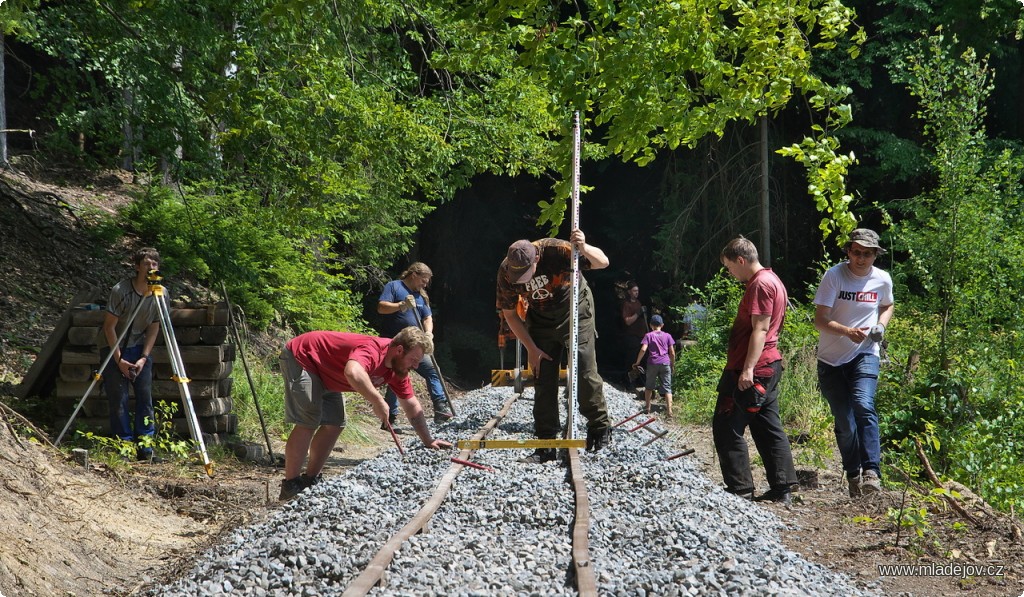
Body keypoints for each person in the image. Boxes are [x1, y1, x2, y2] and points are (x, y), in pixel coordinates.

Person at [278, 327, 453, 500]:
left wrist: (428, 440)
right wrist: (377, 400)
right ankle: (291, 485)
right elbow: (353, 371)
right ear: (399, 350)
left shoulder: (397, 370)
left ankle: (310, 479)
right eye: (413, 360)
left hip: (328, 371)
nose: (415, 366)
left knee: (335, 423)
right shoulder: (373, 350)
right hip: (304, 357)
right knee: (308, 420)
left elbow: (411, 406)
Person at [496, 230, 612, 462]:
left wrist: (584, 247)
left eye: (526, 275)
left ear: (536, 259)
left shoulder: (559, 250)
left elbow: (603, 262)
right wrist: (531, 348)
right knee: (543, 377)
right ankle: (545, 443)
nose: (522, 280)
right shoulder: (506, 272)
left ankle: (600, 428)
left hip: (575, 311)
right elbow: (510, 314)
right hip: (540, 319)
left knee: (585, 371)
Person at [713, 236, 798, 504]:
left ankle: (740, 488)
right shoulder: (773, 280)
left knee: (727, 425)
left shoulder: (760, 284)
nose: (729, 273)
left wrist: (747, 370)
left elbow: (761, 329)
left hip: (754, 367)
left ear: (740, 260)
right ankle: (782, 487)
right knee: (767, 425)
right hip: (769, 364)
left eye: (729, 267)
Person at [813, 228, 894, 498]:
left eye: (867, 254)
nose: (861, 258)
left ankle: (872, 471)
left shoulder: (882, 279)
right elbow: (819, 320)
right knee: (845, 422)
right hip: (830, 359)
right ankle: (852, 474)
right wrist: (847, 331)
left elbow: (887, 305)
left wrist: (881, 326)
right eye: (856, 252)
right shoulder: (834, 276)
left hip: (865, 353)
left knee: (863, 403)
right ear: (848, 251)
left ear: (875, 255)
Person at [99, 247, 163, 463]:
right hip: (115, 347)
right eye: (147, 263)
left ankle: (146, 446)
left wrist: (144, 357)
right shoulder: (121, 291)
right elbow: (109, 328)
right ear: (137, 267)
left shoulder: (160, 293)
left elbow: (155, 326)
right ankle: (124, 446)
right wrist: (119, 360)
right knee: (119, 398)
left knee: (145, 398)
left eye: (154, 264)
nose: (151, 267)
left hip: (139, 348)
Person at [377, 262, 454, 428]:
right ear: (413, 275)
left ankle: (440, 408)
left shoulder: (421, 296)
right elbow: (381, 308)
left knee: (432, 371)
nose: (424, 284)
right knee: (396, 375)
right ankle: (389, 418)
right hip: (395, 344)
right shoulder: (394, 287)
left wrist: (428, 333)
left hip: (416, 345)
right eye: (423, 281)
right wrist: (401, 305)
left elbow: (427, 317)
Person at [632, 314, 676, 416]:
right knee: (667, 388)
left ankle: (647, 408)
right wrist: (672, 364)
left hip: (652, 363)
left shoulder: (648, 335)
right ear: (662, 325)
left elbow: (643, 349)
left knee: (649, 387)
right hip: (665, 362)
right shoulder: (668, 336)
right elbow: (672, 353)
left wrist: (637, 362)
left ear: (651, 325)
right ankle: (669, 412)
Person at [620, 281, 648, 387]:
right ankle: (628, 382)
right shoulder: (627, 304)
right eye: (634, 291)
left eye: (637, 291)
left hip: (641, 336)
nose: (637, 293)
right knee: (631, 361)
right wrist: (637, 313)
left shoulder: (638, 303)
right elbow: (627, 321)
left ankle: (640, 382)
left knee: (640, 360)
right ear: (629, 292)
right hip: (631, 337)